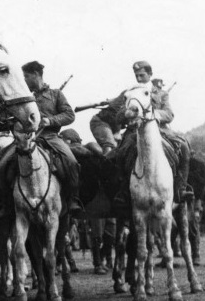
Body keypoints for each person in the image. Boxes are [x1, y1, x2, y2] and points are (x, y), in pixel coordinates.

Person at [91, 61, 192, 212]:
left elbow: (169, 114)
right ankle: (124, 191)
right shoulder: (129, 93)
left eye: (142, 75)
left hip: (160, 130)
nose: (139, 79)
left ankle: (180, 189)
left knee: (184, 147)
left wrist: (154, 114)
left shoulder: (161, 94)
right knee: (119, 154)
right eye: (136, 75)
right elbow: (117, 116)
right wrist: (125, 114)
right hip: (135, 132)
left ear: (150, 75)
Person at [19, 60, 82, 215]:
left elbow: (69, 115)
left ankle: (73, 199)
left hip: (51, 137)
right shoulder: (25, 97)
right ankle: (7, 205)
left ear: (36, 75)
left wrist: (50, 121)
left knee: (72, 162)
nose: (24, 80)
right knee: (1, 164)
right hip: (29, 138)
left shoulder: (56, 94)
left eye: (26, 76)